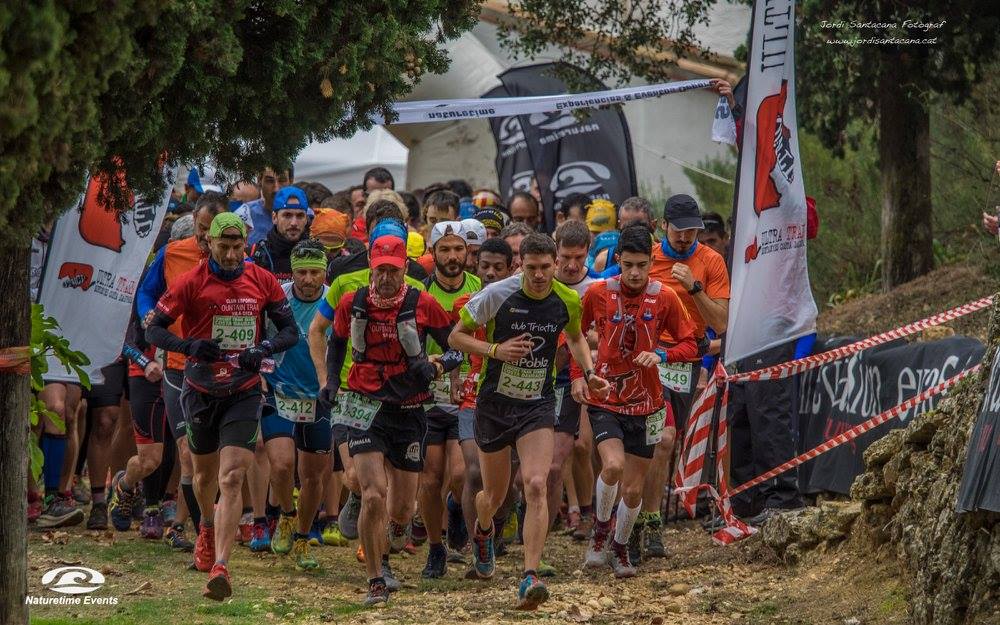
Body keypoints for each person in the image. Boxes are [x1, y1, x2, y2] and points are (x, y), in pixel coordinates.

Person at [449, 233, 610, 610]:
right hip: (494, 405)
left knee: (536, 484)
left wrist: (589, 373)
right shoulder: (497, 295)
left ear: (555, 265)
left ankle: (529, 576)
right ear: (520, 265)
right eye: (531, 268)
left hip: (537, 404)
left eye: (545, 268)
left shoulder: (568, 299)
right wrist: (495, 350)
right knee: (494, 496)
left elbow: (574, 338)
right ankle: (484, 530)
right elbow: (455, 337)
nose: (539, 275)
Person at [145, 212, 299, 600]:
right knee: (203, 477)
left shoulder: (261, 280)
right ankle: (207, 529)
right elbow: (153, 328)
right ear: (208, 244)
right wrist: (190, 346)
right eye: (223, 246)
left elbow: (290, 331)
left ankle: (221, 565)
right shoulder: (190, 281)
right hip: (199, 389)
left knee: (232, 478)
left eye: (237, 247)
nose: (231, 255)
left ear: (245, 244)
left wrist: (262, 348)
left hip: (244, 389)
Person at [323, 234, 462, 605]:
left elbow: (456, 347)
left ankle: (391, 540)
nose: (386, 277)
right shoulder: (353, 303)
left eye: (394, 271)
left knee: (401, 508)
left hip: (410, 409)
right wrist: (332, 383)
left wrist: (435, 367)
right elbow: (336, 341)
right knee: (373, 494)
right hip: (365, 405)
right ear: (371, 266)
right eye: (380, 269)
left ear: (404, 270)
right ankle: (376, 579)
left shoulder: (422, 303)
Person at [573, 224, 697, 577]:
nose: (635, 273)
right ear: (617, 260)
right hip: (607, 397)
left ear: (652, 260)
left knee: (633, 488)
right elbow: (575, 335)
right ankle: (599, 533)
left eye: (642, 265)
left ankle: (622, 546)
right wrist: (581, 375)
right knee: (611, 467)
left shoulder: (666, 297)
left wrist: (662, 354)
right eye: (628, 265)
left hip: (648, 403)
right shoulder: (597, 293)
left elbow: (691, 344)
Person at [307, 219, 427, 563]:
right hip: (351, 394)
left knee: (399, 501)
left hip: (401, 398)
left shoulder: (417, 285)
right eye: (380, 248)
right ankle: (373, 545)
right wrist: (325, 380)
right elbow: (317, 331)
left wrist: (430, 370)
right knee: (360, 479)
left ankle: (381, 536)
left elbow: (432, 337)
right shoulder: (345, 281)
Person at [638, 194, 730, 562]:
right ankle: (649, 520)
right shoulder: (647, 259)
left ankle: (634, 514)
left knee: (666, 444)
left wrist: (694, 287)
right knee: (663, 439)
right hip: (648, 360)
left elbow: (721, 322)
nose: (686, 237)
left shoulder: (710, 262)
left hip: (688, 361)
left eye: (692, 230)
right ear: (664, 226)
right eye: (679, 230)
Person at [136, 192, 228, 549]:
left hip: (223, 370)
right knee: (188, 452)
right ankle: (203, 531)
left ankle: (186, 525)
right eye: (202, 229)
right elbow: (146, 292)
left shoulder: (241, 261)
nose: (206, 237)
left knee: (212, 457)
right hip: (178, 364)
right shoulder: (173, 253)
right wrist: (148, 314)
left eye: (213, 230)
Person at [254, 240, 335, 569]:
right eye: (301, 272)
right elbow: (257, 334)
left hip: (318, 396)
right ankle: (286, 515)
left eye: (315, 272)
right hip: (279, 391)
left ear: (324, 272)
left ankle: (302, 536)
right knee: (282, 464)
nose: (307, 279)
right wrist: (259, 370)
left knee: (313, 476)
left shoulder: (334, 299)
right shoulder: (277, 296)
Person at [418, 221, 482, 578]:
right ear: (433, 253)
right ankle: (435, 547)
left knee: (460, 474)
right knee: (429, 480)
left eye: (459, 249)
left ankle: (456, 506)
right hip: (428, 399)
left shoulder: (478, 290)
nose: (453, 256)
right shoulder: (421, 293)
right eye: (445, 249)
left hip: (465, 399)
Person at [448, 237, 515, 573]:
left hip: (514, 398)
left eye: (497, 268)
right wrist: (454, 378)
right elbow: (455, 345)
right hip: (474, 397)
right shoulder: (467, 301)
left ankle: (494, 530)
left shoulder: (523, 303)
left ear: (510, 269)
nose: (489, 273)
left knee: (508, 481)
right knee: (474, 471)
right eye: (484, 266)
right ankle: (479, 549)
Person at [547, 221, 598, 550]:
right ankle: (565, 513)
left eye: (578, 258)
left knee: (583, 447)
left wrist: (583, 341)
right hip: (553, 376)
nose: (571, 265)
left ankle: (590, 512)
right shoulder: (543, 284)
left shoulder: (596, 287)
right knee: (556, 456)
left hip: (588, 374)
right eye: (566, 256)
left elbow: (601, 334)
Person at [327, 200, 429, 282]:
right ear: (367, 233)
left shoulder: (418, 274)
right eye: (377, 233)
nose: (384, 240)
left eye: (389, 233)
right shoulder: (341, 268)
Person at [250, 186, 311, 283]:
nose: (294, 223)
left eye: (300, 216)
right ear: (274, 218)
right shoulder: (257, 253)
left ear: (306, 219)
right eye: (287, 215)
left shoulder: (316, 252)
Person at [234, 167, 294, 246]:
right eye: (270, 181)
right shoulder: (244, 214)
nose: (276, 189)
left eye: (282, 181)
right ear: (259, 181)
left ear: (291, 182)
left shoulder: (307, 216)